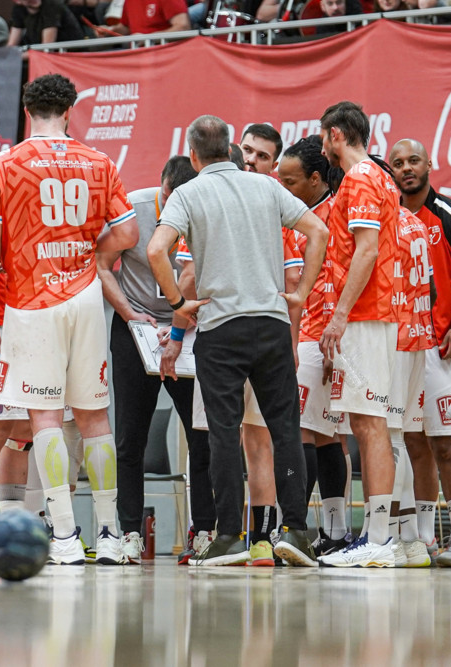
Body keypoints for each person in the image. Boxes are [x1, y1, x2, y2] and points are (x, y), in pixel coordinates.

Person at [146, 114, 328, 567]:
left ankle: (229, 536)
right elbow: (318, 231)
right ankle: (296, 531)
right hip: (271, 325)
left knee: (224, 434)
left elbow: (155, 249)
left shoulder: (188, 193)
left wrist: (178, 303)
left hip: (220, 328)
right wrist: (302, 293)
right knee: (284, 430)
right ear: (230, 146)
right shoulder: (266, 186)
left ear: (193, 155)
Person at [0, 73, 139, 566]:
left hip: (30, 300)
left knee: (43, 416)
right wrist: (90, 252)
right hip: (85, 295)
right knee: (94, 416)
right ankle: (109, 533)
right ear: (69, 111)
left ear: (27, 112)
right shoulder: (99, 161)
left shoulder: (4, 165)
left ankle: (64, 536)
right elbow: (128, 232)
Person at [97, 155, 218, 565]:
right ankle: (130, 532)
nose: (172, 207)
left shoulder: (206, 211)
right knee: (130, 437)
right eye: (167, 198)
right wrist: (130, 314)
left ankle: (204, 532)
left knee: (201, 436)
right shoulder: (133, 208)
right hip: (136, 328)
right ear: (161, 184)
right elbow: (101, 265)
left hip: (188, 328)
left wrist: (183, 326)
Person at [316, 101, 405, 568]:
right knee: (366, 425)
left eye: (323, 137)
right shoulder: (374, 178)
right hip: (369, 315)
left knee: (371, 426)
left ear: (336, 134)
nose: (321, 147)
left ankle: (380, 539)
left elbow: (366, 251)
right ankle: (376, 536)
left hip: (367, 316)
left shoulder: (362, 178)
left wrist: (339, 316)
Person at [388, 138, 451, 566]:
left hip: (444, 350)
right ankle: (424, 537)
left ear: (429, 165)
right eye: (398, 163)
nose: (406, 168)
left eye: (413, 161)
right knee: (412, 443)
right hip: (404, 349)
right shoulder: (387, 220)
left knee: (445, 445)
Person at [277, 136, 353, 557]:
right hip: (323, 333)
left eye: (290, 181)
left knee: (304, 431)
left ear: (316, 178)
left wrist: (305, 341)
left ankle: (295, 530)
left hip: (316, 333)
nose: (283, 189)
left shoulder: (324, 217)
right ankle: (335, 533)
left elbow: (306, 285)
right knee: (327, 436)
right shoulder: (313, 214)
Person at [7, 0, 84, 46]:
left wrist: (18, 56)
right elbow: (12, 44)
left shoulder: (52, 4)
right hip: (45, 55)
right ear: (18, 1)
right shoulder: (18, 9)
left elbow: (47, 46)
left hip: (71, 55)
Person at [111, 0, 190, 34]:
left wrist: (148, 38)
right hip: (138, 55)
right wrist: (109, 31)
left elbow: (183, 27)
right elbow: (127, 27)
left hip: (164, 54)